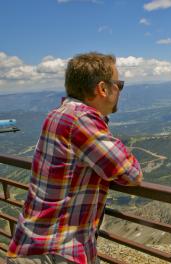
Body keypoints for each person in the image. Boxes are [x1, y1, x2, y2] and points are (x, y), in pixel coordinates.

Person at [7, 52, 143, 264]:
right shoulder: (81, 119)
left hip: (33, 241)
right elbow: (131, 174)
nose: (120, 90)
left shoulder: (57, 114)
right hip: (58, 250)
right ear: (102, 88)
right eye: (119, 84)